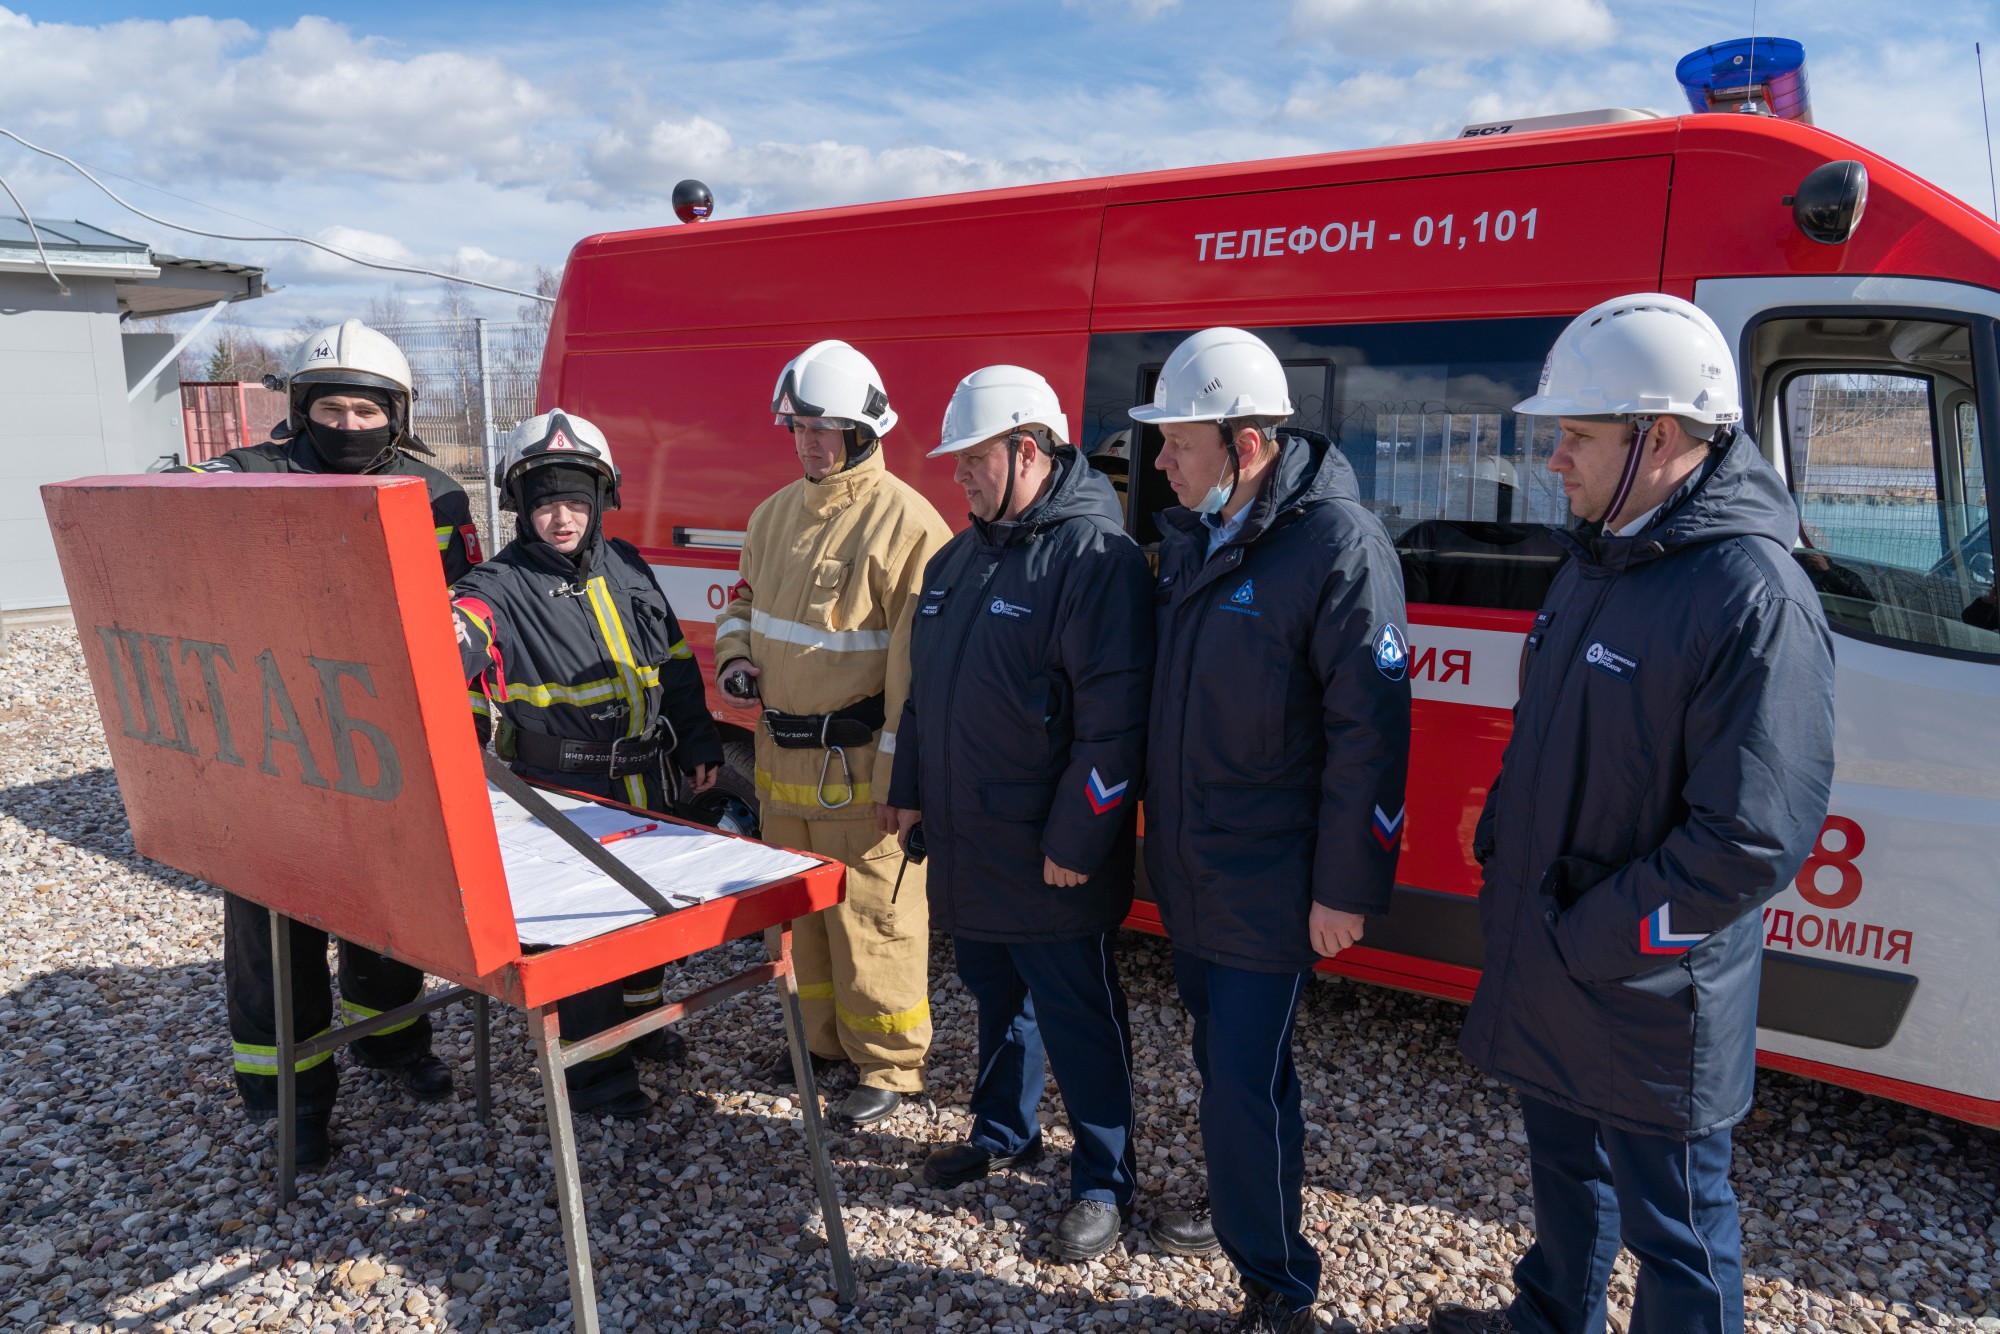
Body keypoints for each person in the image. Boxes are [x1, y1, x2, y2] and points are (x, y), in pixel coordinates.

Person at [1426, 294, 1836, 1334]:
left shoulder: (1750, 591)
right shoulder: (1601, 555)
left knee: (1677, 1228)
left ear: (1655, 437)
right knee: (1564, 1173)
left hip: (1651, 986)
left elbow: (1749, 837)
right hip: (1558, 946)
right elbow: (1546, 734)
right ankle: (1548, 1315)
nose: (1552, 457)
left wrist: (1598, 934)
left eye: (1575, 434)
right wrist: (1504, 854)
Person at [1137, 328, 1411, 1332]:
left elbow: (1369, 732)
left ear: (1244, 444)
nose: (1159, 463)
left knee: (1240, 1085)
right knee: (1232, 1070)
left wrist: (1347, 885)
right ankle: (1257, 1220)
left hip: (1268, 877)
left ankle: (1276, 1282)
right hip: (1193, 866)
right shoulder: (1201, 536)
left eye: (1177, 444)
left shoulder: (1335, 543)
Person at [184, 319, 481, 1169]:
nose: (349, 426)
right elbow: (163, 514)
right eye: (332, 408)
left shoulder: (438, 497)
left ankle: (392, 1044)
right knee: (275, 929)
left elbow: (462, 610)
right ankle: (289, 1100)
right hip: (271, 745)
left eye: (366, 410)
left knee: (387, 908)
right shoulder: (246, 477)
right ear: (300, 410)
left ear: (397, 414)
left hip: (378, 740)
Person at [882, 366, 1153, 1262]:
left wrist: (1077, 840)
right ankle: (1004, 1133)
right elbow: (924, 698)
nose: (956, 476)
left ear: (1027, 451)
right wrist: (908, 790)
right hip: (970, 842)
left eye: (972, 459)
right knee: (997, 998)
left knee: (1079, 1015)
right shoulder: (956, 562)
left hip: (1050, 852)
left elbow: (1115, 725)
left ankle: (1105, 1180)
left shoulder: (1093, 560)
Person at [450, 409, 722, 1118]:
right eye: (544, 503)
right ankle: (597, 1078)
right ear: (520, 508)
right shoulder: (496, 584)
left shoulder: (627, 563)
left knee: (647, 914)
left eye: (576, 501)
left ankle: (644, 1024)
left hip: (643, 775)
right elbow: (459, 634)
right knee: (586, 933)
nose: (561, 518)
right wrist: (446, 639)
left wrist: (698, 742)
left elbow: (674, 662)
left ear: (602, 502)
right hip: (564, 788)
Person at [715, 340, 952, 1126]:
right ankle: (819, 1046)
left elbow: (918, 675)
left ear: (865, 430)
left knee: (874, 918)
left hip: (858, 769)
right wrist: (737, 654)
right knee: (804, 917)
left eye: (826, 428)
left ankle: (888, 1065)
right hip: (782, 761)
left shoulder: (908, 524)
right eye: (798, 427)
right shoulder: (773, 514)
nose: (809, 442)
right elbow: (743, 603)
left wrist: (902, 779)